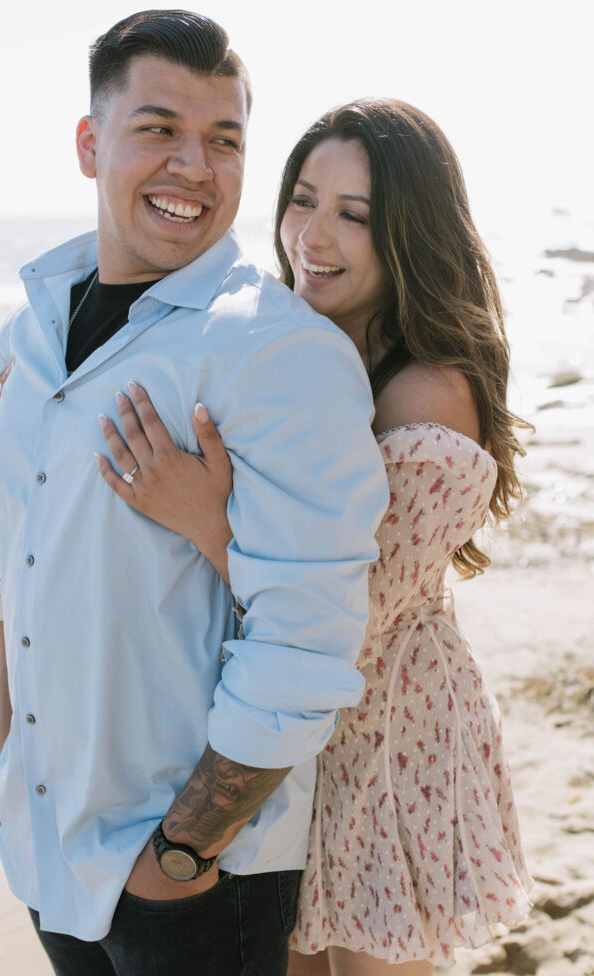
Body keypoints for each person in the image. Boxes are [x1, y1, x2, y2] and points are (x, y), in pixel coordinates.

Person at [0, 11, 389, 976]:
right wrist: (12, 777)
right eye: (159, 129)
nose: (193, 165)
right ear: (89, 143)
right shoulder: (26, 336)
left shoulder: (276, 351)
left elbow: (309, 636)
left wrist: (184, 851)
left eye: (224, 140)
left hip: (194, 881)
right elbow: (22, 568)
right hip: (49, 846)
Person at [84, 98, 534, 973]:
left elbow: (344, 616)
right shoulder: (293, 350)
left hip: (385, 737)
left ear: (410, 233)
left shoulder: (425, 395)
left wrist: (203, 517)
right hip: (286, 731)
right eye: (302, 199)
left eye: (353, 215)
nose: (311, 236)